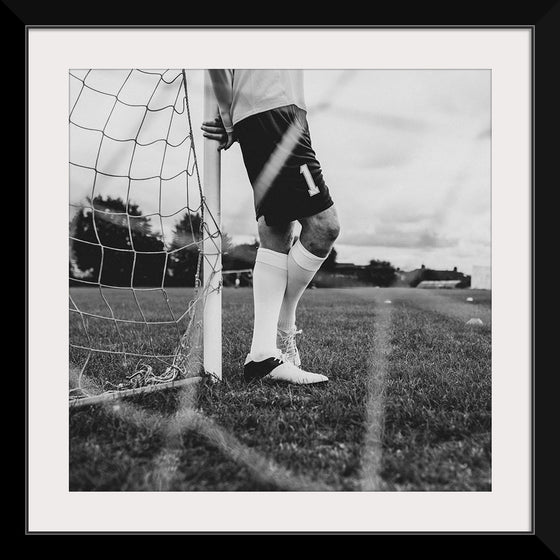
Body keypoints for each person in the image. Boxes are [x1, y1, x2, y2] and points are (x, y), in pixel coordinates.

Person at [201, 70, 340, 385]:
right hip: (269, 109)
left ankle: (264, 354)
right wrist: (226, 114)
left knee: (277, 229)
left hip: (284, 109)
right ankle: (275, 337)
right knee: (324, 226)